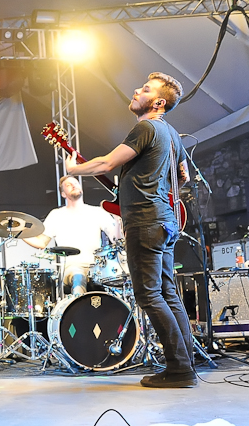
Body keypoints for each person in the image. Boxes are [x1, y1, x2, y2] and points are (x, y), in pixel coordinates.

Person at [65, 72, 195, 388]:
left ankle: (180, 370)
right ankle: (185, 364)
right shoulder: (172, 134)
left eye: (146, 89)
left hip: (146, 221)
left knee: (149, 295)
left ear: (159, 103)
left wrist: (73, 169)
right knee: (166, 294)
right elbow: (184, 177)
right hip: (165, 222)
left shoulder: (146, 127)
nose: (137, 90)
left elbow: (106, 164)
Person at [24, 175, 122, 296]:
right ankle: (79, 309)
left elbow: (116, 238)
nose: (74, 185)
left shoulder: (97, 212)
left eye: (76, 183)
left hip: (97, 267)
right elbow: (41, 242)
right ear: (63, 194)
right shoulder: (56, 215)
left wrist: (118, 220)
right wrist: (20, 233)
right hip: (72, 267)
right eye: (69, 185)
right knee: (78, 277)